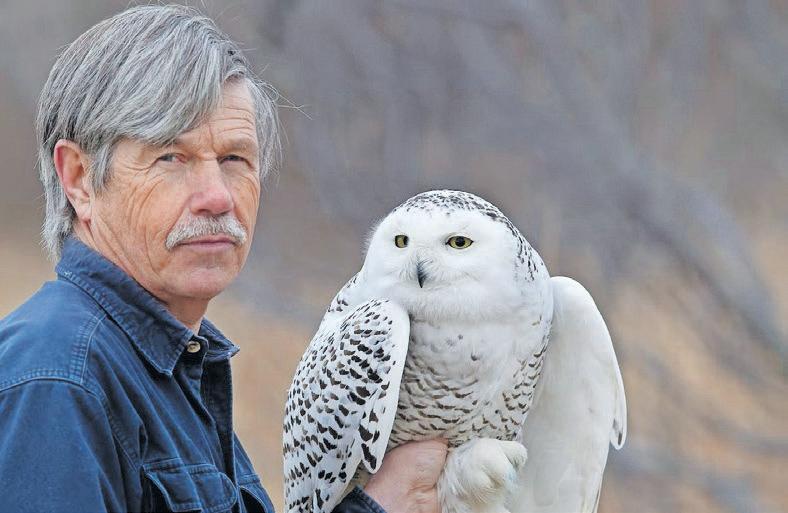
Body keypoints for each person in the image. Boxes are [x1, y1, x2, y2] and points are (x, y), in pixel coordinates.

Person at [0, 5, 447, 513]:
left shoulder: (171, 365)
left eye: (235, 159)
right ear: (79, 178)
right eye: (172, 157)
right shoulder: (57, 381)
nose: (217, 196)